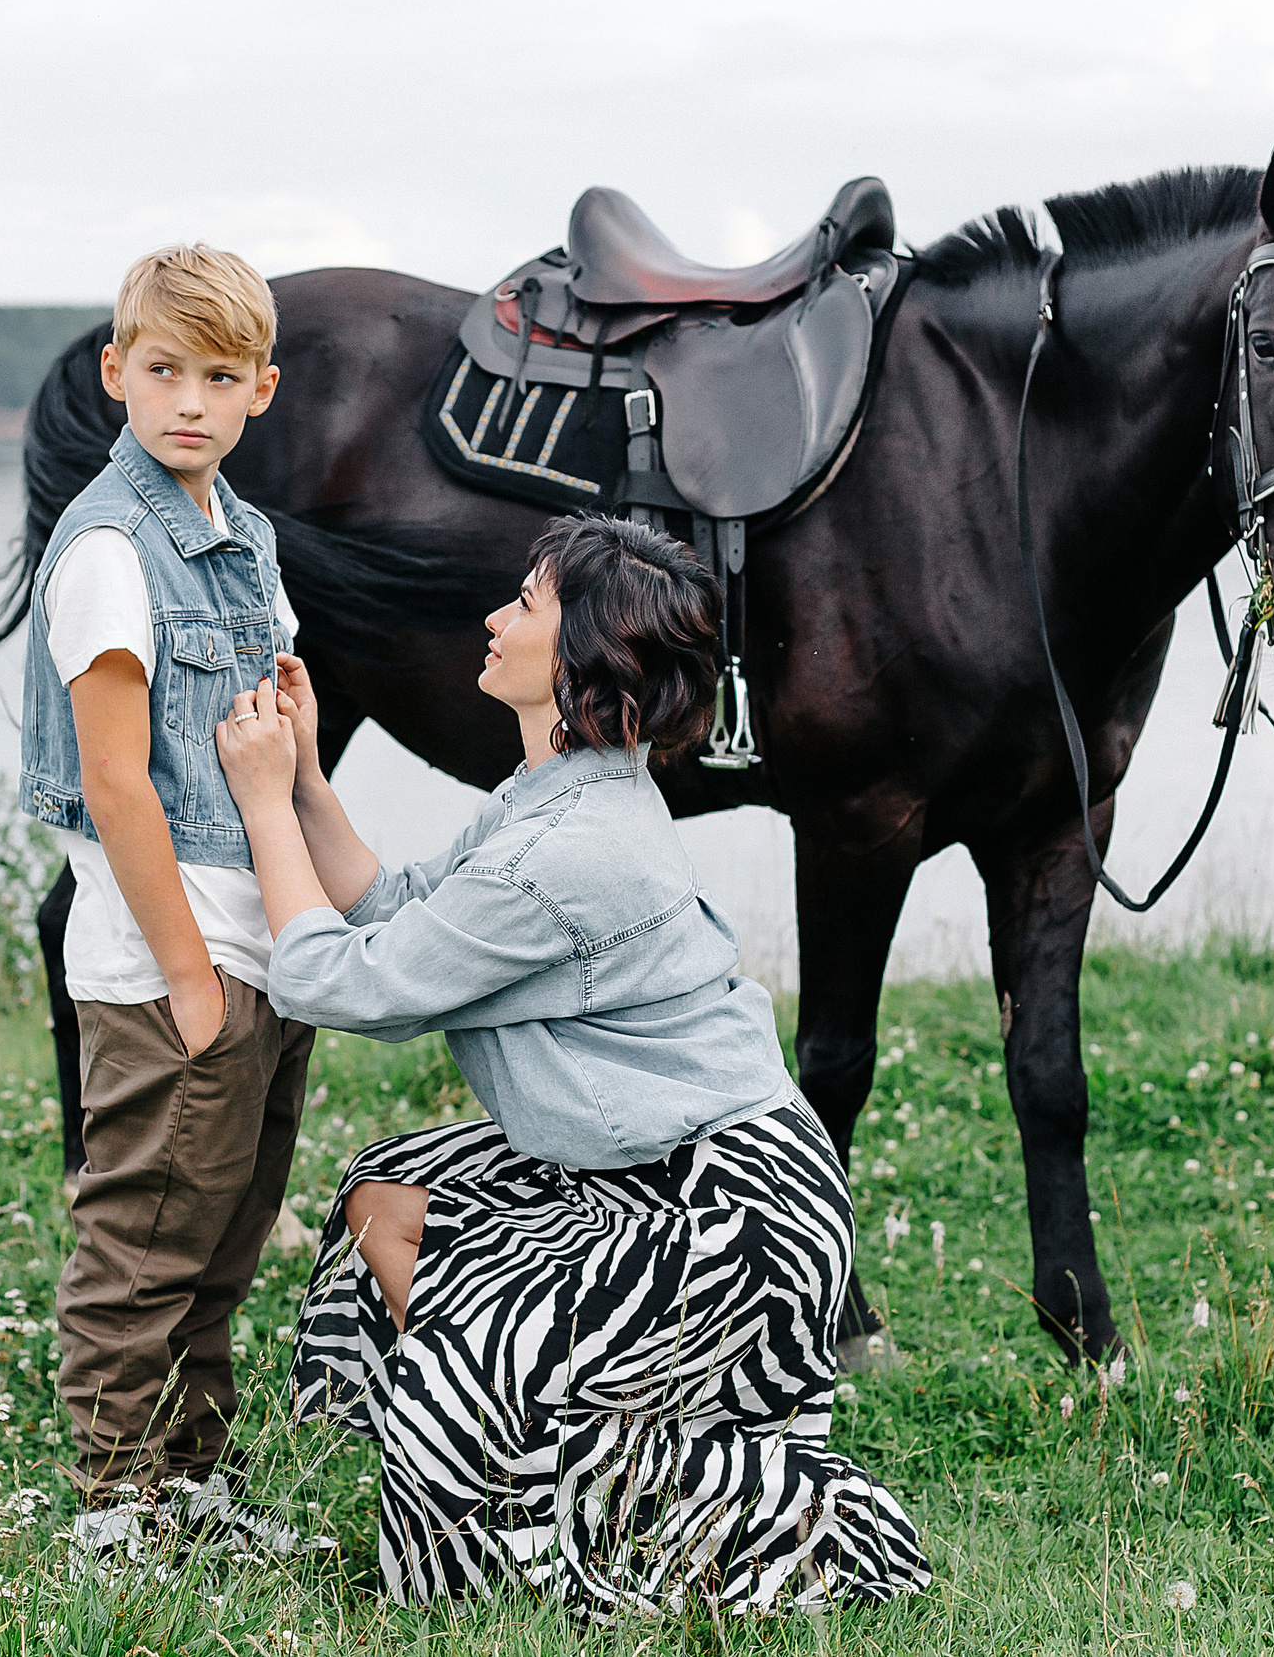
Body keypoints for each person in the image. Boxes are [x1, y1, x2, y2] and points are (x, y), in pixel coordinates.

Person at [214, 512, 931, 1612]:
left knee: (477, 1350)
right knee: (387, 1193)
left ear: (584, 657)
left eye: (527, 605)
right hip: (651, 1168)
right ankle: (541, 1469)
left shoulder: (569, 851)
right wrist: (308, 779)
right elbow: (396, 907)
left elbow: (339, 983)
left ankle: (661, 1502)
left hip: (735, 1213)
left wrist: (259, 799)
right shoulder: (556, 795)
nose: (495, 619)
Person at [15, 242, 312, 1557]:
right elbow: (118, 785)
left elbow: (272, 751)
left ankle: (194, 1490)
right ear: (115, 373)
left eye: (220, 374)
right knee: (141, 1246)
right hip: (164, 961)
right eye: (163, 369)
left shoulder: (239, 538)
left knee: (223, 1237)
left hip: (260, 946)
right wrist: (193, 977)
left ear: (262, 388)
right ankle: (113, 1511)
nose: (189, 398)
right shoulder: (110, 550)